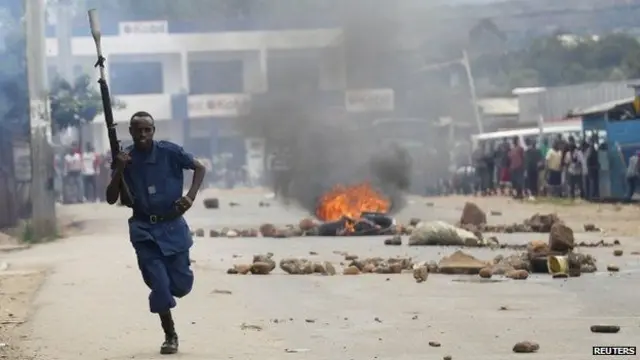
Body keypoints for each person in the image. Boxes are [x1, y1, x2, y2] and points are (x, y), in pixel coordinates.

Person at [105, 111, 206, 354]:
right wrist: (119, 170)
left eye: (147, 129)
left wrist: (190, 197)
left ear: (153, 130)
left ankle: (171, 288)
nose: (142, 134)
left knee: (181, 286)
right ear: (130, 131)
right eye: (137, 130)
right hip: (144, 230)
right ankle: (170, 334)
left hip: (172, 226)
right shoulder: (124, 158)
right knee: (160, 286)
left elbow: (199, 167)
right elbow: (111, 198)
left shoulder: (170, 152)